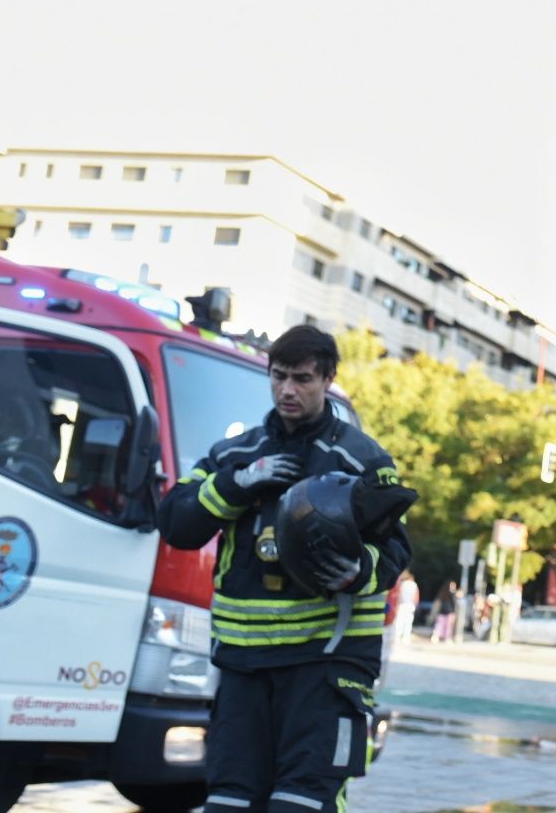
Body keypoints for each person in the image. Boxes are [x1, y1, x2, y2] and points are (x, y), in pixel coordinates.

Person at [157, 325, 412, 813]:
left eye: (302, 379)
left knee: (302, 803)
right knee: (229, 802)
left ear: (328, 380)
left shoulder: (362, 460)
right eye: (278, 376)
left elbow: (397, 552)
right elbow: (175, 523)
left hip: (325, 664)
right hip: (243, 665)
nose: (287, 390)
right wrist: (237, 485)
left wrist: (356, 571)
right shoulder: (234, 455)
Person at [394, 570, 420, 645]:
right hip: (410, 606)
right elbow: (416, 597)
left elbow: (398, 595)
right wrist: (415, 605)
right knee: (408, 623)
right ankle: (406, 638)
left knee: (399, 622)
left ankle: (397, 637)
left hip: (401, 605)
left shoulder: (402, 584)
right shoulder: (414, 585)